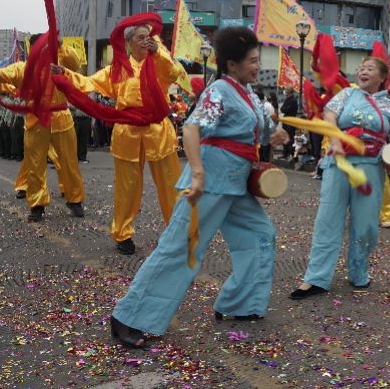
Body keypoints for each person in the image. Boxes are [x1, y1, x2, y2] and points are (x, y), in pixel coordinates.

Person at [108, 27, 288, 349]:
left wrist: (277, 134)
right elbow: (191, 129)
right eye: (252, 61)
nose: (257, 66)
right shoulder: (218, 90)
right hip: (212, 182)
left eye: (258, 60)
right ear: (231, 65)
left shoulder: (249, 94)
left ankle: (239, 304)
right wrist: (198, 174)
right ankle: (129, 317)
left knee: (261, 235)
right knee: (183, 248)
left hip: (237, 184)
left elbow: (260, 133)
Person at [289, 57, 390, 300]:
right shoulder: (347, 94)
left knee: (366, 224)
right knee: (328, 219)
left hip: (371, 167)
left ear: (382, 78)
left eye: (370, 69)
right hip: (339, 163)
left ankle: (359, 273)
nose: (363, 71)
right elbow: (329, 118)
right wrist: (336, 143)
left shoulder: (389, 107)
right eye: (361, 68)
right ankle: (315, 278)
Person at [53, 20, 184, 254]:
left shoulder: (159, 61)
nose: (145, 41)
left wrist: (160, 54)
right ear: (128, 42)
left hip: (158, 129)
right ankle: (123, 234)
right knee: (126, 187)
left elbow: (173, 73)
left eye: (148, 36)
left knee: (171, 184)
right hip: (127, 131)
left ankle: (180, 233)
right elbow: (89, 81)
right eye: (140, 37)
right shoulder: (118, 69)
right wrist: (65, 74)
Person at [0, 34, 86, 221]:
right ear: (34, 49)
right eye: (43, 46)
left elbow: (76, 64)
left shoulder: (59, 65)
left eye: (49, 45)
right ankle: (37, 204)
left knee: (69, 161)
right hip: (36, 120)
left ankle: (75, 199)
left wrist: (62, 46)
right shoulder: (24, 69)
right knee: (35, 164)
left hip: (61, 118)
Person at [280, 86, 298, 158]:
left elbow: (287, 109)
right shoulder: (287, 99)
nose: (285, 91)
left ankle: (291, 153)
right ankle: (285, 153)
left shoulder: (293, 100)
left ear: (289, 91)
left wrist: (285, 109)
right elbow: (282, 109)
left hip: (291, 120)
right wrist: (285, 108)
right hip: (285, 120)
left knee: (290, 137)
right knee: (284, 136)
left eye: (286, 90)